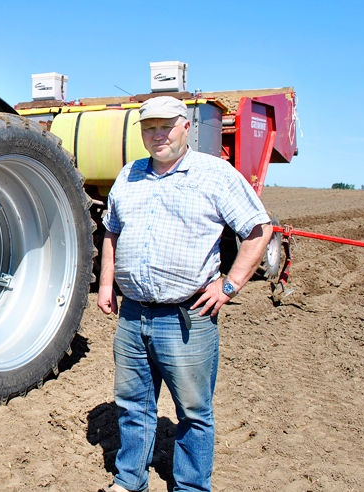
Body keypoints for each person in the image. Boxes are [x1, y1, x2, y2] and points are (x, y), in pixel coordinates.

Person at [97, 95, 272, 492]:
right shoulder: (130, 175)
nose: (157, 135)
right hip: (132, 315)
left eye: (166, 126)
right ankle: (129, 482)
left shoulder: (214, 174)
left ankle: (191, 486)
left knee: (193, 411)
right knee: (132, 406)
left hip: (185, 318)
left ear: (186, 127)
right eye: (149, 128)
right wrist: (106, 284)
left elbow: (259, 230)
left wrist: (229, 284)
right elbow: (111, 230)